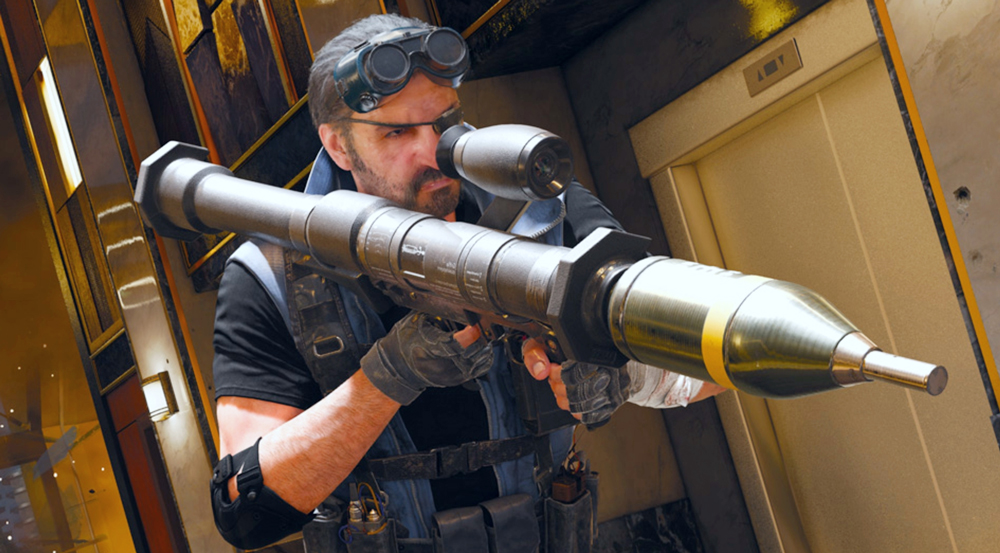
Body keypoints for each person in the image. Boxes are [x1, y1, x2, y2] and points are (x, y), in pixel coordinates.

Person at [208, 13, 723, 552]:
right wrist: (387, 377)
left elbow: (710, 347)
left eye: (446, 121)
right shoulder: (274, 274)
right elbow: (246, 514)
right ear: (339, 145)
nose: (433, 152)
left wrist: (626, 373)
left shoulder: (542, 208)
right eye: (397, 132)